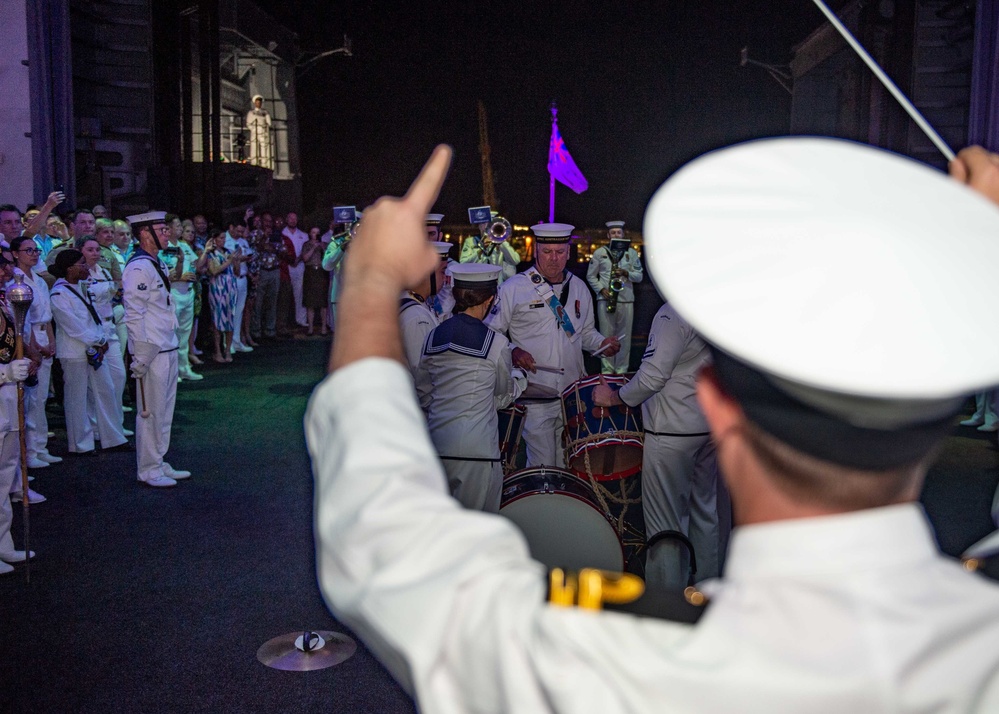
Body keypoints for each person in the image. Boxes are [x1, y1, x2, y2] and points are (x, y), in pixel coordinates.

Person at [307, 142, 999, 712]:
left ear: (717, 403)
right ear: (940, 415)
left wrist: (367, 284)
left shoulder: (615, 657)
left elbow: (382, 538)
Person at [592, 301, 728, 590]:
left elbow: (654, 375)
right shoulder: (715, 305)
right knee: (706, 516)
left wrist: (614, 396)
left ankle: (668, 605)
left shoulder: (673, 313)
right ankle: (707, 595)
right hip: (707, 427)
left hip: (671, 432)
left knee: (665, 526)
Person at [484, 223, 619, 468]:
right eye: (547, 252)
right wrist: (513, 351)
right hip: (535, 392)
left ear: (569, 252)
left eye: (559, 251)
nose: (554, 259)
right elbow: (491, 333)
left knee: (571, 464)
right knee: (543, 465)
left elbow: (585, 333)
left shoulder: (579, 287)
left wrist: (602, 343)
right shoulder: (514, 288)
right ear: (536, 250)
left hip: (573, 395)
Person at [415, 263, 526, 511]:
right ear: (489, 299)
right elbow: (502, 395)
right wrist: (521, 380)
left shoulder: (433, 336)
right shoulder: (496, 342)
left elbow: (424, 393)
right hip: (477, 452)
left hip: (436, 447)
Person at [122, 211, 191, 488]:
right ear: (144, 233)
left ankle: (159, 460)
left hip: (167, 345)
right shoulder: (138, 267)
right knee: (149, 412)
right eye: (161, 230)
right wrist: (139, 354)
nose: (167, 234)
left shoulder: (155, 263)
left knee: (164, 412)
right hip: (152, 350)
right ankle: (148, 468)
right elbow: (134, 313)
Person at [49, 249, 128, 456]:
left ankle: (113, 438)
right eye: (81, 264)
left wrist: (99, 339)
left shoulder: (81, 287)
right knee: (77, 398)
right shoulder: (59, 293)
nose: (86, 268)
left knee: (106, 390)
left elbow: (94, 317)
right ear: (69, 268)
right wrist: (98, 339)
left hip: (93, 348)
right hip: (74, 351)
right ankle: (81, 444)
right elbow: (71, 325)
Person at [8, 237, 59, 469]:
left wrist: (51, 340)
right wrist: (34, 350)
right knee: (31, 399)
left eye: (36, 250)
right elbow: (22, 320)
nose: (34, 253)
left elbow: (46, 314)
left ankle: (39, 447)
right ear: (16, 253)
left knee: (40, 401)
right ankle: (29, 453)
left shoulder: (38, 279)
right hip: (29, 338)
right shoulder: (14, 283)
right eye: (28, 250)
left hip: (43, 334)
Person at [0, 250, 35, 573]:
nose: (5, 271)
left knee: (5, 472)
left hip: (8, 398)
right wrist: (4, 374)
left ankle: (3, 543)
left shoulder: (4, 301)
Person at [80, 238, 131, 438]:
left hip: (110, 327)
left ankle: (115, 423)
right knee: (97, 383)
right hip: (94, 330)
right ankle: (95, 426)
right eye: (90, 250)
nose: (95, 253)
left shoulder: (105, 271)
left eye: (97, 250)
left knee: (118, 377)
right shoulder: (79, 275)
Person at [587, 221, 643, 374]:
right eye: (613, 233)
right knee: (606, 336)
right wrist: (601, 289)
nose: (616, 235)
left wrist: (627, 273)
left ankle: (621, 370)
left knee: (625, 338)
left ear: (623, 234)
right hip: (606, 299)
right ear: (608, 235)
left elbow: (639, 276)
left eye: (619, 232)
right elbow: (590, 276)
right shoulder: (600, 253)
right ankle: (607, 370)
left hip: (626, 299)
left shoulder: (631, 253)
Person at [399, 240, 451, 379]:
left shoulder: (416, 303)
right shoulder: (417, 317)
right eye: (442, 271)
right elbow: (424, 373)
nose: (446, 278)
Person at [160, 215, 203, 381]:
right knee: (173, 333)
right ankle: (173, 370)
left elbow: (197, 265)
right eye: (177, 226)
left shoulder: (184, 246)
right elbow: (165, 274)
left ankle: (184, 367)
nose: (179, 228)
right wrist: (181, 277)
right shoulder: (165, 247)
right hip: (174, 293)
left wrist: (204, 251)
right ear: (169, 228)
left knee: (185, 333)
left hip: (188, 292)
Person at [459, 209, 520, 283]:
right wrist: (480, 250)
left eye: (490, 224)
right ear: (479, 226)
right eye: (483, 224)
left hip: (496, 285)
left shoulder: (500, 243)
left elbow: (515, 260)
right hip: (477, 284)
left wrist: (501, 241)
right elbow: (463, 263)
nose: (486, 227)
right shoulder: (471, 241)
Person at [205, 231, 239, 363]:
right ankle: (217, 351)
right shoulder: (211, 253)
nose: (223, 240)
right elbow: (213, 271)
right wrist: (228, 261)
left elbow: (237, 271)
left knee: (230, 318)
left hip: (230, 287)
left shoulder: (228, 251)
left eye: (224, 237)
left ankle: (228, 349)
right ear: (214, 239)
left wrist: (235, 261)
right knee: (217, 319)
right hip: (217, 287)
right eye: (221, 237)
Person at [300, 227, 329, 335]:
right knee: (310, 301)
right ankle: (310, 328)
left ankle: (323, 327)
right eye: (313, 232)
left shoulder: (324, 244)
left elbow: (329, 258)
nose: (315, 235)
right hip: (310, 272)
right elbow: (305, 258)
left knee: (322, 302)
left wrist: (322, 247)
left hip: (321, 272)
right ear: (310, 234)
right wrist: (313, 248)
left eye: (317, 233)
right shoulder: (306, 245)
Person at [282, 212, 309, 329]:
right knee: (285, 295)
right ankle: (285, 321)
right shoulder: (282, 234)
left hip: (300, 266)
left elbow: (305, 251)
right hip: (285, 267)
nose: (293, 220)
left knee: (300, 294)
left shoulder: (304, 235)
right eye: (291, 218)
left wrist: (298, 260)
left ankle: (301, 320)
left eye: (295, 219)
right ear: (286, 220)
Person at [246, 94, 272, 169]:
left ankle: (264, 164)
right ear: (255, 103)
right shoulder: (251, 113)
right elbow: (248, 124)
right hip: (255, 132)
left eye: (259, 102)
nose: (258, 104)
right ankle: (254, 164)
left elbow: (269, 123)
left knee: (264, 148)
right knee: (254, 147)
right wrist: (254, 129)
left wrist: (265, 127)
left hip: (263, 132)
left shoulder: (265, 112)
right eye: (257, 102)